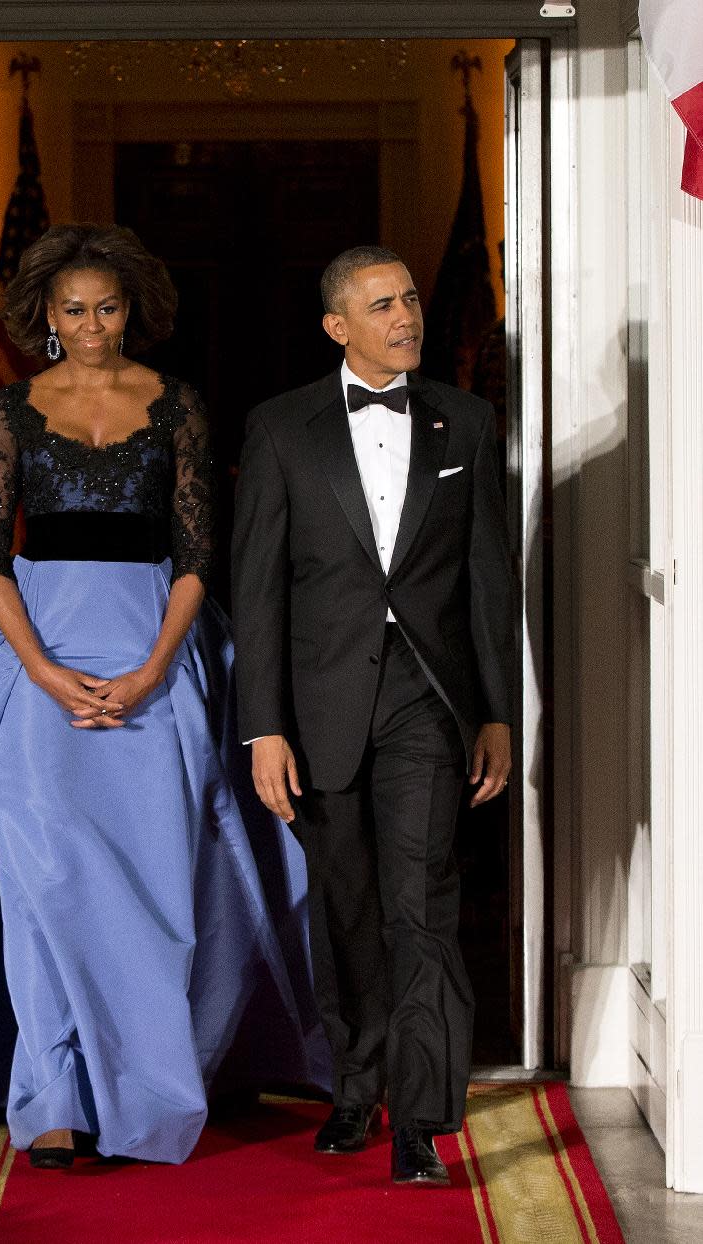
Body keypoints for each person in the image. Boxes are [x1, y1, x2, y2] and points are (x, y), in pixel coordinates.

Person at [0, 223, 325, 1169]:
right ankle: (49, 1096)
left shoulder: (175, 404)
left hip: (156, 650)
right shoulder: (12, 408)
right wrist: (45, 671)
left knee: (150, 891)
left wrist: (150, 669)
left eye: (106, 307)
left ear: (131, 309)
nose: (91, 324)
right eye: (73, 310)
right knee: (41, 886)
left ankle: (148, 1089)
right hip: (35, 658)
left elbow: (196, 553)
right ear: (45, 318)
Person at [231, 245, 514, 1186]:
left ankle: (421, 1120)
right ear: (337, 326)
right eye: (382, 304)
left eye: (411, 299)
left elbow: (486, 582)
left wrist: (497, 714)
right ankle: (357, 1082)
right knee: (347, 908)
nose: (406, 316)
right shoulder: (279, 429)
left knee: (420, 906)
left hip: (426, 704)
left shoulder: (466, 421)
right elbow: (257, 588)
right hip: (316, 709)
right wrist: (261, 725)